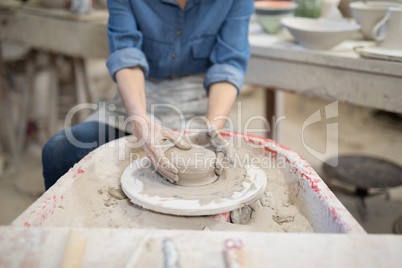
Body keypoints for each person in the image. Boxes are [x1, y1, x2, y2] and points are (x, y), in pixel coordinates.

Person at [42, 0, 254, 189]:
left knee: (235, 168)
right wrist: (140, 121)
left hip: (200, 101)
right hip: (138, 95)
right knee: (59, 151)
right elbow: (127, 58)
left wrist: (212, 128)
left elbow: (228, 64)